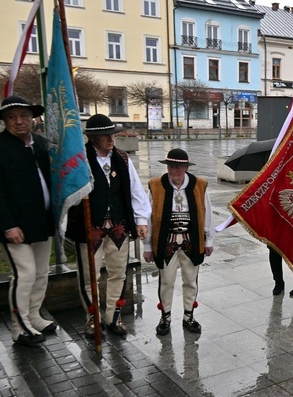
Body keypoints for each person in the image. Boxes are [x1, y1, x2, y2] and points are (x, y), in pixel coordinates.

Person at [66, 114, 151, 337]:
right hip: (89, 228)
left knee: (118, 273)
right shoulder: (80, 160)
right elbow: (69, 193)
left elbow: (136, 191)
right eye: (105, 135)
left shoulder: (122, 159)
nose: (110, 138)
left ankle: (114, 316)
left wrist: (141, 220)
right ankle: (93, 318)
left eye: (112, 134)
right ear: (92, 138)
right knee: (88, 276)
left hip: (118, 227)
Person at [0, 95, 57, 347]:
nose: (19, 121)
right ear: (4, 121)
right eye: (12, 117)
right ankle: (20, 326)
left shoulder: (42, 144)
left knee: (42, 272)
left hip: (41, 221)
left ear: (33, 118)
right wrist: (7, 225)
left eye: (23, 116)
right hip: (15, 226)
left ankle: (34, 315)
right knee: (25, 274)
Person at [143, 149, 214, 335]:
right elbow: (148, 218)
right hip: (165, 241)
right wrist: (147, 246)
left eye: (177, 167)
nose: (173, 171)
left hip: (192, 240)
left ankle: (188, 316)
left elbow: (207, 214)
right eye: (170, 166)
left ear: (185, 167)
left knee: (191, 280)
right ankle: (165, 317)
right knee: (166, 281)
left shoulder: (199, 185)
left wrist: (209, 241)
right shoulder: (155, 185)